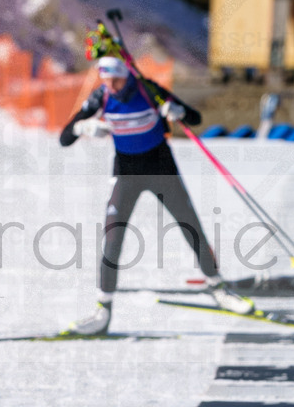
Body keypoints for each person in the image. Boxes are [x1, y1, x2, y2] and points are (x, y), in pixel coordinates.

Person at [59, 56, 254, 335]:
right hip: (127, 174)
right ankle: (103, 310)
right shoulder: (101, 97)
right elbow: (64, 138)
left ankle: (218, 288)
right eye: (107, 80)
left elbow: (194, 117)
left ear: (127, 75)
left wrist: (177, 111)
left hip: (162, 169)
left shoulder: (148, 90)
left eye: (116, 79)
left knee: (190, 226)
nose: (112, 86)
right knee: (113, 238)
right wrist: (83, 127)